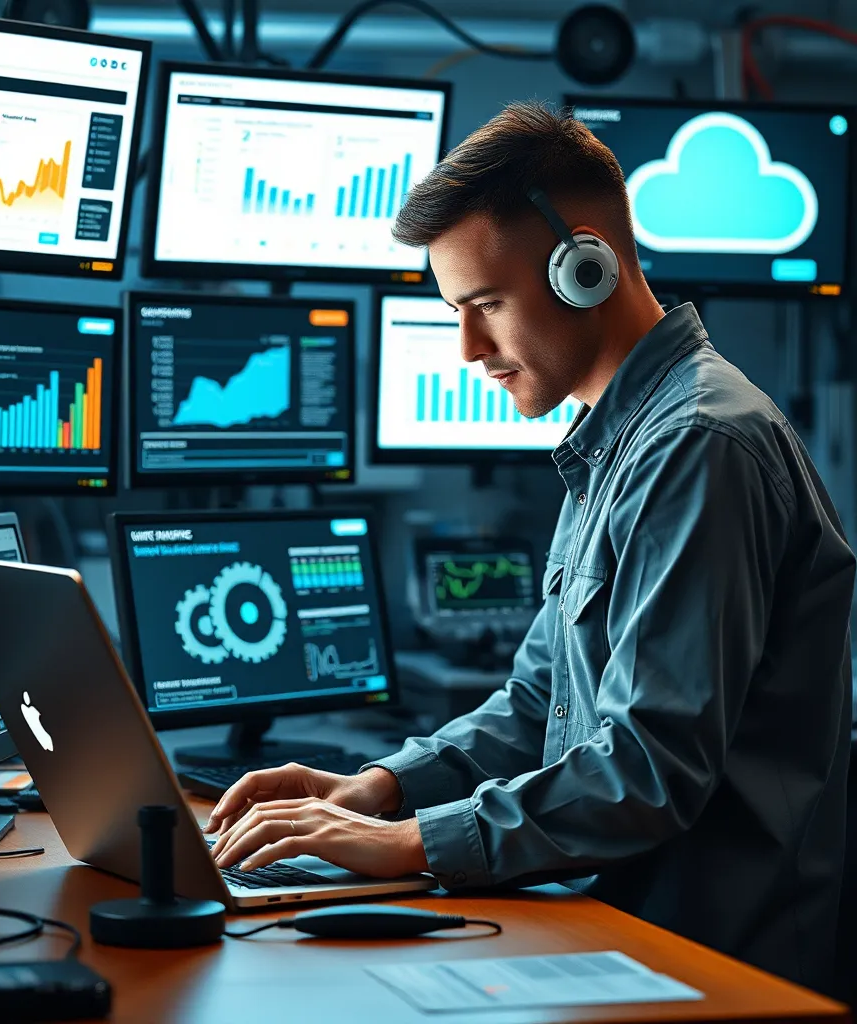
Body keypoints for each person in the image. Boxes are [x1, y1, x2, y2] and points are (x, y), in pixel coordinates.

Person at [205, 102, 855, 993]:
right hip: (611, 926)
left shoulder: (700, 444)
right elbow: (537, 702)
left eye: (486, 305)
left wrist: (410, 845)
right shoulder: (617, 440)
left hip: (700, 964)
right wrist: (383, 788)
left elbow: (647, 771)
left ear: (586, 266)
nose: (469, 348)